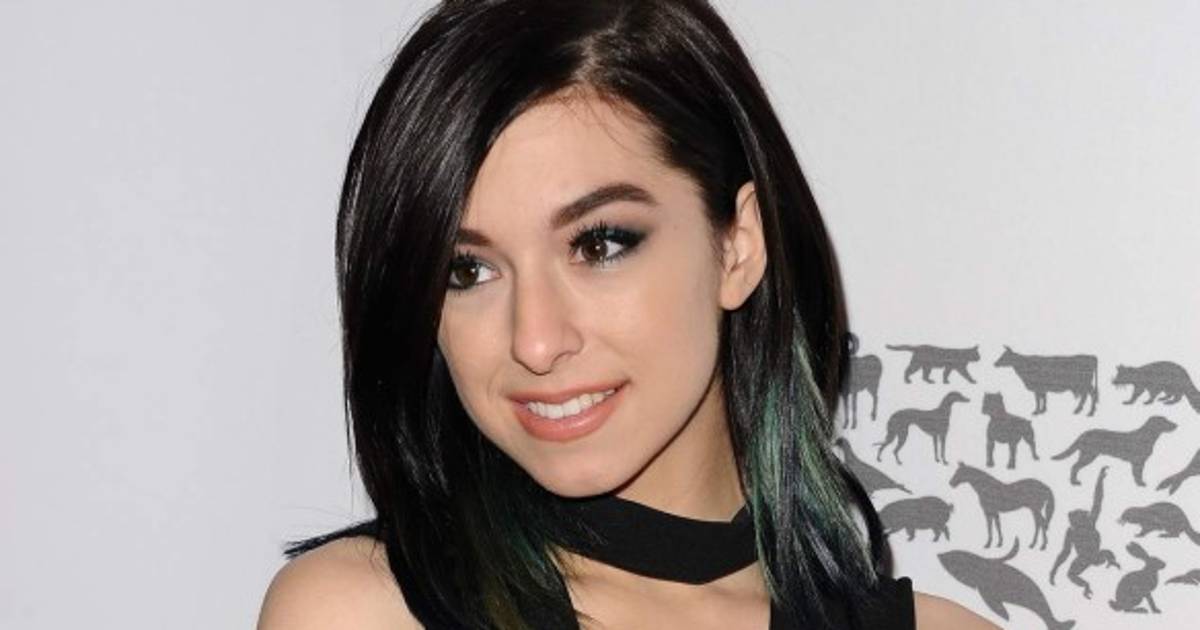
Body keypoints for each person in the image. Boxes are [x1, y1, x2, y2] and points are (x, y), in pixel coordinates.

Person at [257, 1, 999, 628]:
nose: (536, 341)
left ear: (737, 246)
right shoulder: (359, 611)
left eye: (599, 244)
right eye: (468, 270)